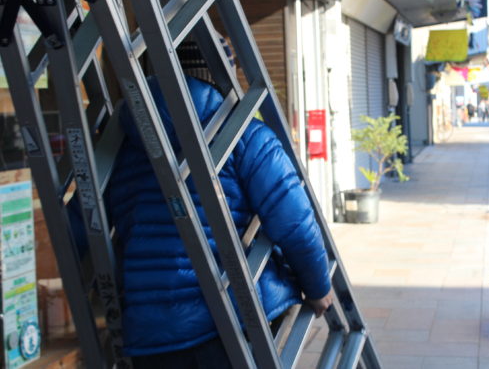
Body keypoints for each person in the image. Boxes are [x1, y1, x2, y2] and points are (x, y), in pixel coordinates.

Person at [70, 75, 333, 368]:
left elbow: (79, 231)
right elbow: (294, 220)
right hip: (230, 321)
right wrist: (318, 286)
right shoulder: (245, 135)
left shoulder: (117, 150)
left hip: (152, 336)